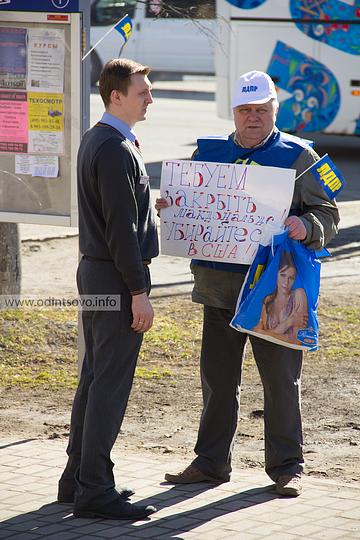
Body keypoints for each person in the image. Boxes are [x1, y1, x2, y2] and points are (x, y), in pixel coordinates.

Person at [157, 70, 339, 497]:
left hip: (275, 295)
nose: (252, 118)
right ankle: (211, 462)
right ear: (234, 112)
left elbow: (328, 214)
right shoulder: (209, 154)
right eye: (245, 110)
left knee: (280, 382)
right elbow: (189, 206)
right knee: (217, 381)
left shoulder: (301, 156)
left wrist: (306, 224)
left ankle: (287, 466)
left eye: (261, 110)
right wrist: (171, 204)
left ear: (275, 110)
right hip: (220, 289)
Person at [58, 59, 159, 520]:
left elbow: (120, 208)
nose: (150, 98)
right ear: (115, 95)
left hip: (98, 272)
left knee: (94, 379)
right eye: (142, 91)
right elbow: (119, 226)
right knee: (108, 386)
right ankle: (95, 489)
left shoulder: (100, 138)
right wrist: (138, 291)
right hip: (116, 278)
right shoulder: (115, 147)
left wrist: (149, 204)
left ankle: (76, 478)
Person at [252, 251, 308, 345]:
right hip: (268, 348)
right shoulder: (268, 300)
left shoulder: (299, 295)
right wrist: (290, 321)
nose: (286, 282)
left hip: (287, 352)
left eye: (291, 278)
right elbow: (262, 335)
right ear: (276, 275)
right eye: (283, 275)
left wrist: (263, 333)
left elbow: (296, 340)